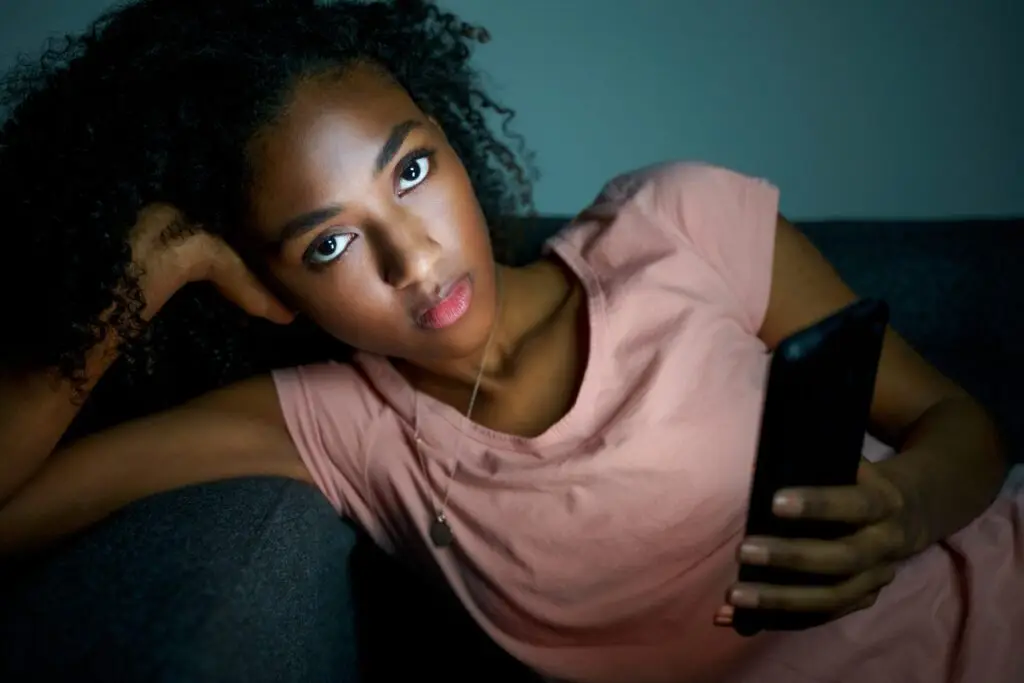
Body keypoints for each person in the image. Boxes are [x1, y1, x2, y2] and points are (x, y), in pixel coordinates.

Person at [0, 1, 1019, 682]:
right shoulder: (344, 428)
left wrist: (904, 509)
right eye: (332, 242)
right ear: (269, 288)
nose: (412, 257)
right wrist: (144, 270)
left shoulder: (677, 221)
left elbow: (954, 420)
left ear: (449, 138)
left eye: (409, 172)